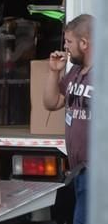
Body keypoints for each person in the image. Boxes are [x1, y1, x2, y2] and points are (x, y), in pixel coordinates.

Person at [44, 14, 93, 224]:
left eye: (69, 42)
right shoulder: (74, 72)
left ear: (84, 43)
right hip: (78, 169)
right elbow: (51, 102)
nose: (65, 47)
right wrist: (54, 72)